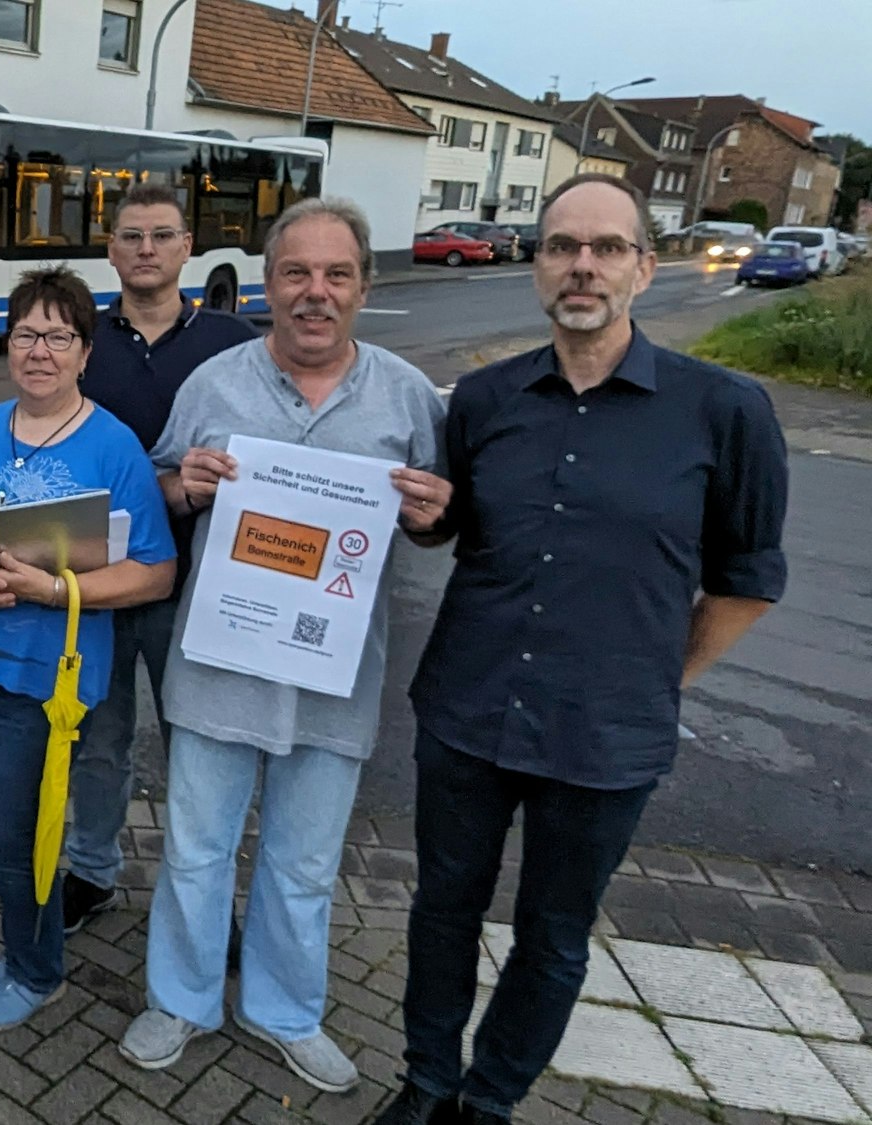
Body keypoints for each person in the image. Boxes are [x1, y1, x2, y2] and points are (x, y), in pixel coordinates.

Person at [378, 173, 789, 1125]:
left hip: (607, 736)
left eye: (607, 247)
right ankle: (427, 1080)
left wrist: (657, 675)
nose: (583, 265)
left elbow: (747, 581)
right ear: (540, 265)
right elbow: (457, 532)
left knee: (552, 934)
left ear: (645, 267)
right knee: (442, 910)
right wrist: (428, 523)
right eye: (564, 246)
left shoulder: (724, 411)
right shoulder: (482, 399)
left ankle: (490, 1099)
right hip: (468, 709)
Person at [120, 198, 451, 1091]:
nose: (315, 292)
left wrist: (433, 517)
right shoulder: (214, 384)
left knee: (304, 862)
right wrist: (182, 486)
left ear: (362, 287)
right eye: (296, 274)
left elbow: (432, 524)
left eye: (336, 274)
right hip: (220, 664)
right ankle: (180, 1000)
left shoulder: (407, 397)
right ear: (269, 285)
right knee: (195, 847)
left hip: (333, 675)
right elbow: (158, 486)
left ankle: (285, 1010)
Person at [0, 267, 177, 1032]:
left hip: (46, 676)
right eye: (27, 332)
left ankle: (39, 971)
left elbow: (155, 572)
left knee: (11, 831)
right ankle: (20, 951)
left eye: (58, 336)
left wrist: (51, 590)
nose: (39, 349)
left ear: (84, 352)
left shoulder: (114, 445)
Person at [63, 182, 260, 935]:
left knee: (201, 751)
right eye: (131, 235)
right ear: (110, 249)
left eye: (161, 235)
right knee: (97, 740)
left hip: (204, 587)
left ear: (188, 247)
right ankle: (92, 869)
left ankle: (209, 894)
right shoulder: (82, 340)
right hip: (101, 582)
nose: (145, 248)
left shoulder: (235, 344)